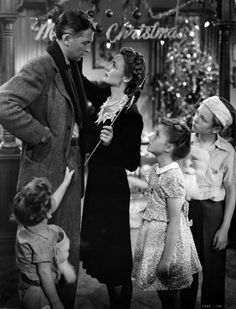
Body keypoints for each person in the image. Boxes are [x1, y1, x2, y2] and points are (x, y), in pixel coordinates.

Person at [0, 9, 95, 308]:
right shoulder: (43, 66)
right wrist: (41, 134)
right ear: (66, 39)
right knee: (44, 257)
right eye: (85, 42)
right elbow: (4, 103)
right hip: (46, 174)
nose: (88, 48)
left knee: (63, 252)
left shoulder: (67, 65)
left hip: (63, 172)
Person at [80, 47, 146, 309]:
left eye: (114, 65)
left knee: (117, 263)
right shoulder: (102, 98)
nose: (107, 67)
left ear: (126, 78)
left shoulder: (131, 115)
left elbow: (132, 163)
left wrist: (112, 143)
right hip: (96, 188)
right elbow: (81, 83)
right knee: (105, 261)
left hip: (113, 193)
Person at [130, 118, 202, 309]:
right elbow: (153, 188)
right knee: (164, 292)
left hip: (168, 242)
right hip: (154, 237)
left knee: (171, 294)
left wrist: (166, 259)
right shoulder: (156, 169)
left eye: (157, 134)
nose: (151, 136)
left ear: (169, 147)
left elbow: (175, 221)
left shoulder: (173, 176)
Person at [180, 96, 236, 309]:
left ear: (215, 129)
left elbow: (231, 190)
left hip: (214, 213)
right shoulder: (185, 143)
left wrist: (225, 227)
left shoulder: (227, 152)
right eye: (197, 113)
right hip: (187, 210)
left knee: (213, 270)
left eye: (202, 119)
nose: (195, 119)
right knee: (186, 268)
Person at [13, 167, 75, 309]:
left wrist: (66, 182)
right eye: (47, 213)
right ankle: (62, 263)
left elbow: (51, 204)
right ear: (40, 214)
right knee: (55, 233)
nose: (50, 215)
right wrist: (55, 302)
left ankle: (61, 262)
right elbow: (44, 273)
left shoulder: (25, 219)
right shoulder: (41, 240)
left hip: (25, 284)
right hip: (38, 293)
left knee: (55, 232)